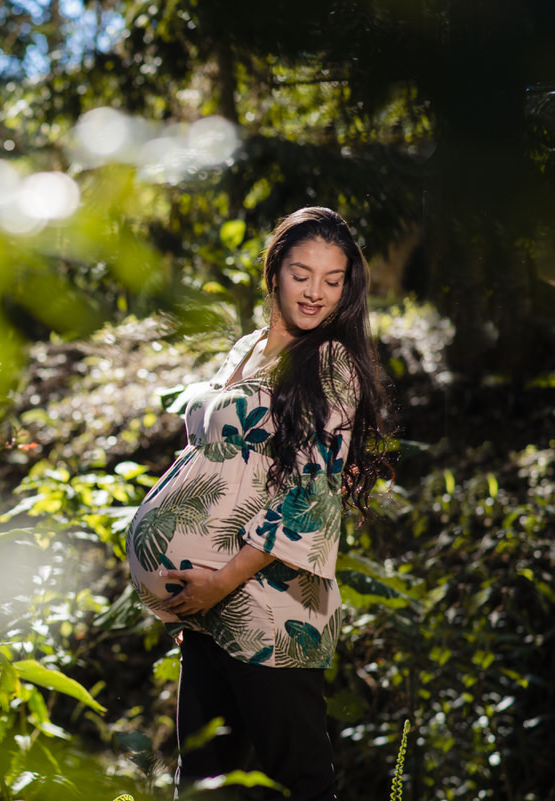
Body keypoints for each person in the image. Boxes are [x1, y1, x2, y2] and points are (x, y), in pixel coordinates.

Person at [126, 207, 392, 799]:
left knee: (296, 781)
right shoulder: (247, 348)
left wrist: (219, 588)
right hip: (209, 614)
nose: (315, 293)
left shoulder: (328, 364)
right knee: (203, 783)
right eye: (302, 273)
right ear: (274, 271)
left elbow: (310, 496)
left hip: (270, 611)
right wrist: (200, 609)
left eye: (333, 279)